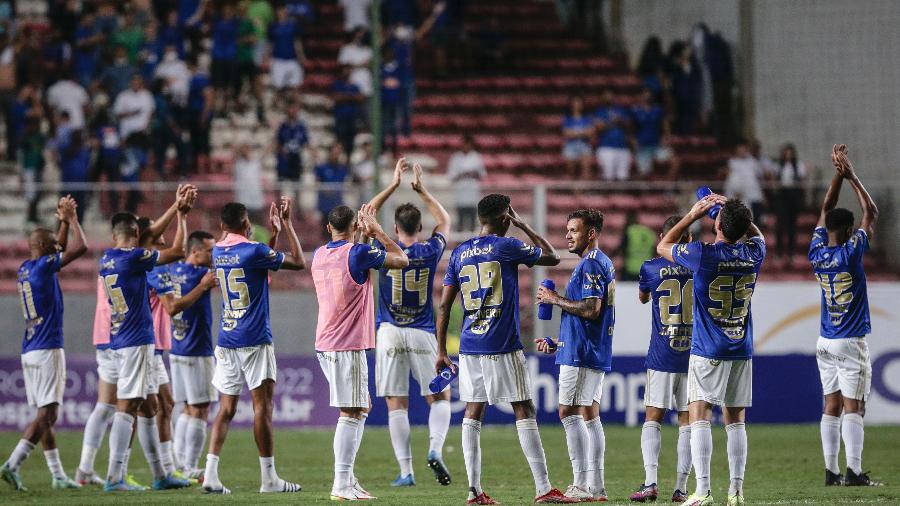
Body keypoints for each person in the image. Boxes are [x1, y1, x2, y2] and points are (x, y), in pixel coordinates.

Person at [436, 194, 573, 505]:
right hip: (502, 344)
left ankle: (474, 491)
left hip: (470, 346)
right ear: (504, 218)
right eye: (509, 217)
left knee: (473, 412)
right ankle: (544, 488)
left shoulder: (459, 253)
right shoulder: (507, 246)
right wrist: (524, 224)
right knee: (523, 408)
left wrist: (441, 351)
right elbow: (552, 256)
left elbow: (443, 307)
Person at [657, 194, 766, 506]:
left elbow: (663, 245)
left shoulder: (703, 254)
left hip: (708, 349)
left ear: (716, 223)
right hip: (741, 348)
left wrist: (693, 214)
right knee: (736, 420)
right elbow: (756, 234)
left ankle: (703, 491)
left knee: (700, 415)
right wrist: (737, 214)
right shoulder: (753, 253)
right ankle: (736, 493)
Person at [202, 198, 306, 494]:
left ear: (222, 225)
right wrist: (285, 225)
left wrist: (271, 237)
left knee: (226, 408)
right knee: (263, 407)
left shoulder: (217, 252)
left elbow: (257, 270)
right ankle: (269, 479)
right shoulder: (254, 249)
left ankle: (210, 473)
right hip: (255, 339)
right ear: (247, 225)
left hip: (227, 338)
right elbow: (298, 262)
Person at [98, 186, 195, 492]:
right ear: (137, 235)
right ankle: (115, 476)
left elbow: (149, 232)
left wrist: (173, 207)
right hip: (136, 339)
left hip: (121, 337)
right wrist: (181, 216)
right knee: (127, 405)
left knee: (150, 405)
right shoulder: (135, 258)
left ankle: (160, 474)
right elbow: (178, 251)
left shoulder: (108, 258)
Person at [365, 160, 454, 487]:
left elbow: (367, 213)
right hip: (422, 332)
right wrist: (422, 189)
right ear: (420, 228)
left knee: (395, 402)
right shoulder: (431, 249)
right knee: (440, 398)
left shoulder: (381, 249)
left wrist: (392, 183)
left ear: (396, 228)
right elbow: (445, 220)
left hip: (389, 332)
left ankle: (406, 471)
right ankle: (434, 449)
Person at [312, 203, 409, 501]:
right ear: (355, 227)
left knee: (360, 407)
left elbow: (356, 263)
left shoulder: (319, 254)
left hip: (326, 341)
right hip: (346, 344)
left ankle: (349, 479)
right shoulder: (358, 253)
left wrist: (361, 236)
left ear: (329, 228)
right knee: (352, 412)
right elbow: (402, 260)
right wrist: (377, 231)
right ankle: (340, 483)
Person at [0, 196, 87, 491]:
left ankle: (58, 474)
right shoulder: (43, 267)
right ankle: (12, 464)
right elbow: (80, 247)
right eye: (54, 245)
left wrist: (61, 220)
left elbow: (56, 245)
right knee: (48, 414)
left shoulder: (28, 267)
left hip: (30, 348)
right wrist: (73, 219)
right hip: (48, 347)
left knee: (43, 414)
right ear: (46, 249)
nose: (59, 246)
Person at [811, 144, 881, 487]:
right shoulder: (852, 253)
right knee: (855, 408)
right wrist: (851, 176)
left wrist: (835, 178)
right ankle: (853, 472)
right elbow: (872, 211)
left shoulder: (817, 253)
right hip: (850, 342)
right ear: (850, 231)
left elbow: (825, 208)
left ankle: (831, 471)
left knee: (831, 404)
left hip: (825, 340)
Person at [534, 209, 615, 502]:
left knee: (568, 412)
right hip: (584, 347)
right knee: (590, 414)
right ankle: (597, 485)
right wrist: (560, 342)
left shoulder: (591, 264)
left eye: (574, 230)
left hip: (583, 353)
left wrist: (554, 299)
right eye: (566, 229)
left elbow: (592, 309)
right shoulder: (598, 262)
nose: (567, 235)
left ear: (590, 233)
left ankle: (581, 485)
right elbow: (590, 315)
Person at [630, 216, 694, 503]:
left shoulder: (651, 268)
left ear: (663, 237)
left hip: (662, 354)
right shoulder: (699, 266)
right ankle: (680, 489)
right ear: (689, 240)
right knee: (688, 420)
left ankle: (650, 483)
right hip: (694, 354)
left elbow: (643, 297)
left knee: (653, 416)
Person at [161, 231, 218, 478]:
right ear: (195, 252)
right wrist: (203, 286)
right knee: (200, 408)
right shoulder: (199, 276)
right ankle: (191, 466)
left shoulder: (174, 271)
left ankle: (178, 462)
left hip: (178, 348)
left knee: (187, 408)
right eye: (210, 250)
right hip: (196, 349)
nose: (214, 255)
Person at [631, 87, 675, 178]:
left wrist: (667, 137)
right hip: (643, 146)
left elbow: (665, 124)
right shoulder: (635, 111)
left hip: (657, 145)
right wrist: (633, 141)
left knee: (675, 162)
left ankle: (668, 187)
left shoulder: (658, 110)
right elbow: (631, 129)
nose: (647, 96)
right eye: (645, 94)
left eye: (649, 94)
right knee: (644, 174)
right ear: (640, 96)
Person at [446, 135, 486, 233]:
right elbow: (451, 176)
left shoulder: (477, 157)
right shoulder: (456, 158)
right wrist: (462, 174)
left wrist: (473, 173)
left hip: (473, 194)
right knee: (460, 222)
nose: (466, 146)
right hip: (460, 195)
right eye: (464, 144)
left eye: (468, 144)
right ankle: (460, 246)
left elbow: (482, 174)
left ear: (471, 145)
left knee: (472, 222)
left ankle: (473, 246)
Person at [774, 143, 807, 258]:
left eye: (790, 153)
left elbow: (802, 181)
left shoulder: (798, 165)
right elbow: (775, 180)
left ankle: (791, 252)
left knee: (792, 226)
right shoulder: (779, 165)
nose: (788, 156)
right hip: (782, 195)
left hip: (793, 195)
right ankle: (779, 252)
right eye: (786, 153)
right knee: (780, 225)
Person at [594, 89, 632, 181]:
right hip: (606, 147)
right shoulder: (599, 111)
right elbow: (599, 127)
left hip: (622, 147)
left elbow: (629, 124)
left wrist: (621, 120)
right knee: (608, 177)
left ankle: (620, 195)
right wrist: (613, 122)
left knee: (623, 177)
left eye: (610, 95)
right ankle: (607, 195)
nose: (608, 98)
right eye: (606, 96)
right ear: (602, 98)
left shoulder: (621, 110)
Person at [723, 141, 765, 226]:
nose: (742, 152)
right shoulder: (732, 162)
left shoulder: (753, 161)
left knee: (757, 221)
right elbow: (731, 180)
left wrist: (762, 194)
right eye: (739, 150)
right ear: (736, 151)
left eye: (743, 150)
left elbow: (759, 177)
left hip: (755, 195)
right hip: (741, 196)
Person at [268, 4, 307, 91]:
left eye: (284, 10)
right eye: (280, 10)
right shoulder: (272, 27)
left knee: (295, 87)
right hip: (278, 60)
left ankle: (296, 105)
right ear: (276, 12)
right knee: (278, 88)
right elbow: (270, 44)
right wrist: (267, 57)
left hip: (292, 59)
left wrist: (301, 55)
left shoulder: (293, 26)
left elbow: (297, 42)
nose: (282, 12)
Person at [315, 144, 350, 238]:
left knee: (339, 232)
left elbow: (344, 183)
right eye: (335, 152)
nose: (336, 155)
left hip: (338, 205)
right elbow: (317, 183)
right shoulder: (321, 167)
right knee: (326, 231)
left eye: (338, 153)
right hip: (326, 204)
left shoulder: (343, 168)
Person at [276, 101, 310, 194]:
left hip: (296, 159)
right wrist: (282, 151)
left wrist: (312, 153)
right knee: (280, 186)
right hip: (284, 160)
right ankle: (279, 207)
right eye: (291, 108)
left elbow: (306, 142)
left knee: (297, 186)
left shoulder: (301, 126)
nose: (293, 111)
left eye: (295, 109)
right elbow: (278, 142)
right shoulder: (283, 126)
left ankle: (297, 207)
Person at [332, 66, 364, 158]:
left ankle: (348, 159)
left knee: (350, 140)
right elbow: (336, 97)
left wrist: (345, 97)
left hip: (352, 118)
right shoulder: (337, 84)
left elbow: (360, 98)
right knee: (340, 139)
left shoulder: (354, 86)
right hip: (340, 117)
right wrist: (351, 97)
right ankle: (338, 157)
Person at [562, 97, 594, 179]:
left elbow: (591, 132)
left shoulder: (587, 118)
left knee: (586, 170)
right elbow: (566, 133)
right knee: (571, 170)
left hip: (584, 144)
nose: (577, 105)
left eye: (579, 103)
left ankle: (581, 191)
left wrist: (574, 132)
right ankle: (573, 189)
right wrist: (583, 132)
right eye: (575, 103)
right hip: (571, 145)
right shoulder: (567, 119)